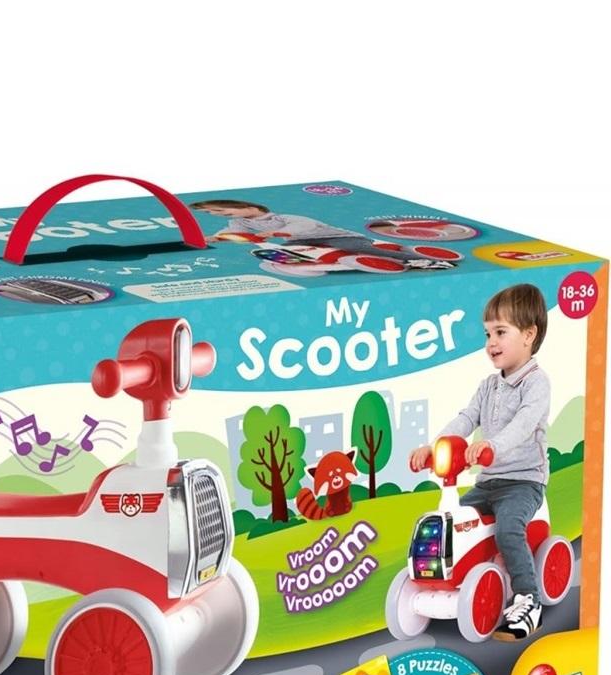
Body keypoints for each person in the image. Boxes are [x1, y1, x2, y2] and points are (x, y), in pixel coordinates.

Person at [410, 284, 551, 640]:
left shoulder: (536, 384)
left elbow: (523, 425)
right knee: (452, 522)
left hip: (523, 482)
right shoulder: (488, 386)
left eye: (501, 332)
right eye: (488, 334)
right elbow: (465, 418)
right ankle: (448, 577)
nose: (491, 342)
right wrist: (433, 447)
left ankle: (528, 599)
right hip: (488, 483)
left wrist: (491, 446)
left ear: (529, 335)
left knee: (507, 529)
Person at [189, 198, 432, 265]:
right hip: (304, 245)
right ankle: (320, 265)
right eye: (213, 213)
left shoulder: (281, 218)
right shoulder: (241, 224)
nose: (219, 215)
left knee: (356, 248)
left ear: (250, 207)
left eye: (222, 211)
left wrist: (275, 233)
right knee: (281, 253)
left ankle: (416, 259)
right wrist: (214, 238)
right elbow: (231, 232)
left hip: (333, 237)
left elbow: (303, 226)